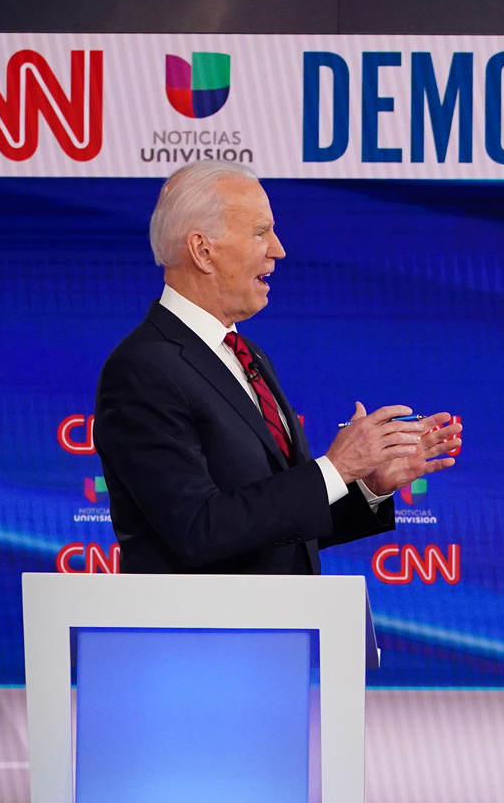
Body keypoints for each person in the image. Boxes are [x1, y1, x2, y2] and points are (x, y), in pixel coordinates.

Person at [94, 162, 461, 662]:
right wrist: (333, 468)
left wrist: (367, 485)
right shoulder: (143, 368)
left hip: (267, 652)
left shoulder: (247, 356)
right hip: (193, 659)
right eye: (261, 232)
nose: (279, 249)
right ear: (203, 250)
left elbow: (277, 525)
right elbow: (199, 531)